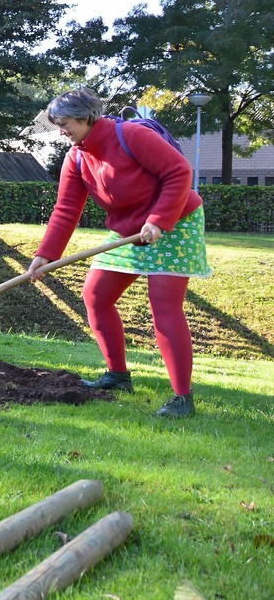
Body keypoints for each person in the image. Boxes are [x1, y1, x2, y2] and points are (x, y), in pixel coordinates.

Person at [26, 89, 210, 418]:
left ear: (85, 118)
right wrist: (46, 255)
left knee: (164, 306)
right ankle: (117, 376)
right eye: (57, 125)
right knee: (96, 295)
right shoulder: (77, 156)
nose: (60, 131)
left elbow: (179, 172)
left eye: (64, 124)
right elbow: (67, 208)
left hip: (175, 221)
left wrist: (158, 221)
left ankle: (183, 398)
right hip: (129, 230)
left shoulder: (131, 135)